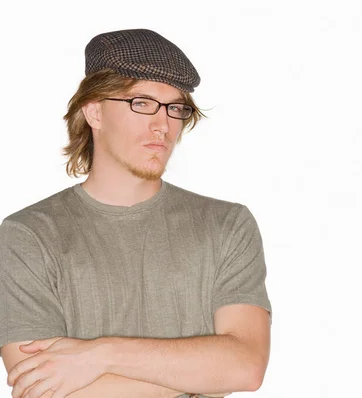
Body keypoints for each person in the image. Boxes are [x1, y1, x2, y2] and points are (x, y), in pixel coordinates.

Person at [0, 29, 272, 398]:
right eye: (141, 102)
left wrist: (101, 355)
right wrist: (195, 376)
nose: (163, 125)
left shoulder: (227, 225)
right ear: (94, 111)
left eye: (175, 107)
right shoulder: (27, 234)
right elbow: (39, 387)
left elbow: (245, 367)